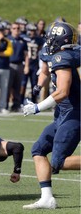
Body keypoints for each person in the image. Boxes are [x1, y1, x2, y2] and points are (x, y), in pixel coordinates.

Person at [22, 22, 80, 209]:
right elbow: (46, 73)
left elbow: (62, 91)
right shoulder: (60, 54)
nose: (48, 40)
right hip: (63, 114)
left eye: (51, 37)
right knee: (38, 150)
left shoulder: (63, 57)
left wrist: (38, 107)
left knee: (58, 161)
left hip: (75, 113)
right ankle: (47, 198)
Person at [7, 22, 29, 112]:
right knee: (8, 86)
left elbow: (26, 55)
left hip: (20, 64)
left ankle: (16, 105)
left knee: (17, 86)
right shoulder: (7, 39)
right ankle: (5, 105)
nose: (16, 30)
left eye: (18, 28)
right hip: (9, 65)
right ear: (11, 29)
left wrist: (26, 66)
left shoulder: (22, 41)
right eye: (14, 28)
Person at [20, 23, 44, 104]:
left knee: (34, 84)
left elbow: (40, 51)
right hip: (25, 64)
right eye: (31, 30)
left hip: (34, 64)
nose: (32, 32)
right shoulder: (23, 38)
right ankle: (20, 102)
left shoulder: (39, 39)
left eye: (34, 30)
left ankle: (34, 101)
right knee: (23, 84)